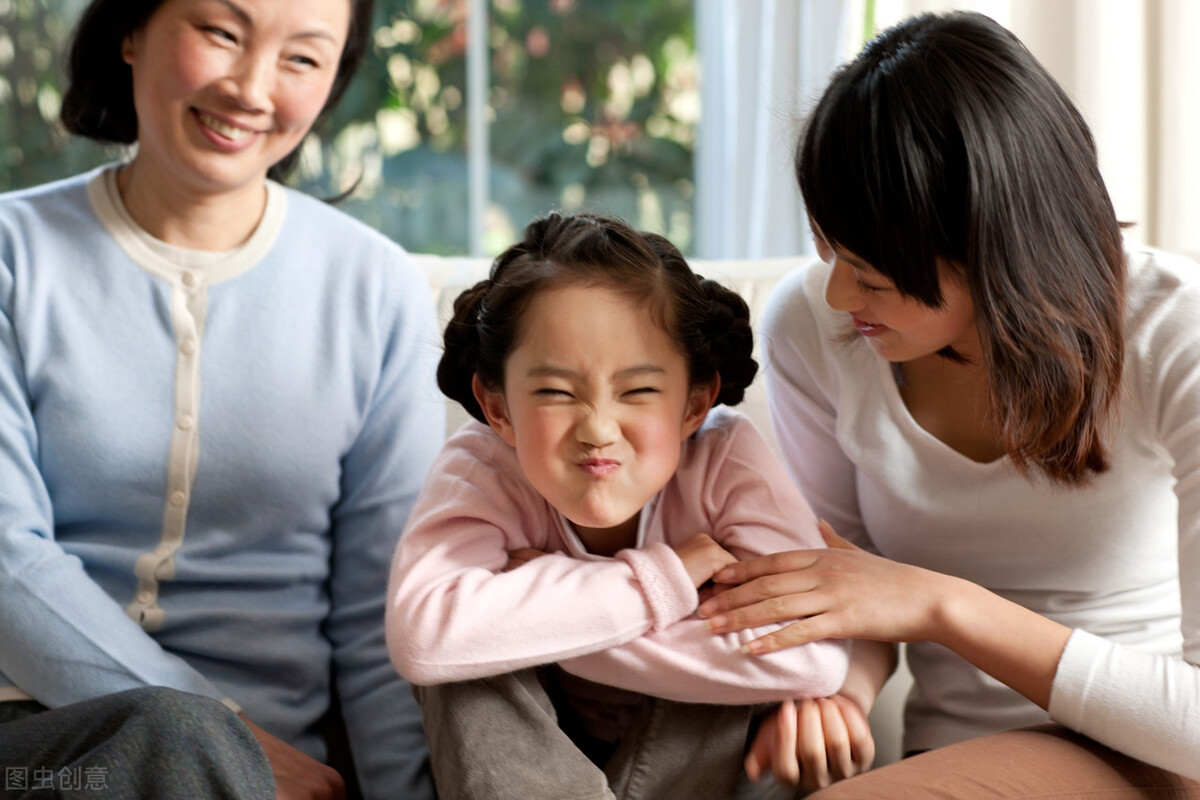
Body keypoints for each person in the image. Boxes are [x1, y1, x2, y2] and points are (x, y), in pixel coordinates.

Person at [691, 10, 1200, 797]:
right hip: (945, 757)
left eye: (871, 271)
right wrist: (835, 696)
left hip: (1156, 756)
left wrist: (941, 604)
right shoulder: (815, 328)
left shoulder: (1174, 331)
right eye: (830, 248)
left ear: (992, 240)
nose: (837, 292)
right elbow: (844, 579)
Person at [0, 0, 444, 798]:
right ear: (130, 30)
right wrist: (234, 738)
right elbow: (5, 558)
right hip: (34, 749)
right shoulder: (10, 255)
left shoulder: (376, 290)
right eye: (221, 33)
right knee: (180, 739)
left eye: (302, 59)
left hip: (281, 779)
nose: (252, 87)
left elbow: (384, 615)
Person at [384, 212, 850, 800]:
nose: (598, 429)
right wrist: (667, 582)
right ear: (497, 405)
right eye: (555, 392)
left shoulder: (726, 457)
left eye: (639, 391)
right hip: (527, 771)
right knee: (462, 668)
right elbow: (422, 637)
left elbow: (811, 658)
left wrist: (548, 611)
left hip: (698, 772)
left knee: (488, 631)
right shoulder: (480, 466)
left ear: (694, 401)